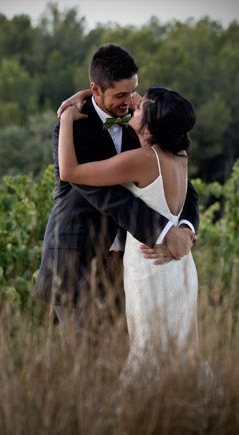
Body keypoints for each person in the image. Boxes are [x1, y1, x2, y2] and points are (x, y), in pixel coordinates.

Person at [32, 44, 198, 346]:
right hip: (77, 261)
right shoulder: (71, 131)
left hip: (128, 264)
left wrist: (186, 228)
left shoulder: (144, 127)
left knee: (128, 352)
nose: (129, 101)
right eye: (120, 95)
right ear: (95, 89)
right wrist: (162, 232)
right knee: (86, 362)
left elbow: (187, 189)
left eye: (133, 92)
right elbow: (109, 197)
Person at [58, 86, 199, 371]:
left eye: (141, 104)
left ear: (150, 122)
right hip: (179, 266)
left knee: (148, 353)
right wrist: (87, 93)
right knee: (180, 353)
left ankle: (146, 413)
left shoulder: (143, 160)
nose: (134, 102)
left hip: (149, 266)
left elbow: (70, 172)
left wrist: (65, 120)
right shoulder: (179, 155)